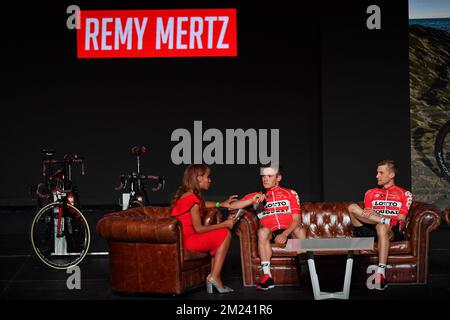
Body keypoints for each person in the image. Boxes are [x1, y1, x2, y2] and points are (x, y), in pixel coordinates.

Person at [171, 164, 263, 294]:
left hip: (186, 239)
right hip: (189, 241)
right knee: (224, 233)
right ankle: (214, 276)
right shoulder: (192, 199)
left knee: (219, 236)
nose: (210, 180)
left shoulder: (188, 196)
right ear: (198, 178)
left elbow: (203, 204)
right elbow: (199, 229)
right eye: (208, 177)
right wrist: (225, 224)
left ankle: (214, 277)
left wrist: (222, 204)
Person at [347, 160, 413, 290]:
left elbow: (400, 219)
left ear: (392, 175)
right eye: (377, 172)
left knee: (382, 226)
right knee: (352, 207)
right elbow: (367, 216)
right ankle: (383, 221)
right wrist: (380, 217)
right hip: (369, 228)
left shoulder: (405, 194)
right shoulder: (370, 193)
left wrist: (379, 216)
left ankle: (380, 273)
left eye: (381, 173)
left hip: (390, 230)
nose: (377, 176)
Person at [240, 165, 306, 290]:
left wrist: (285, 234)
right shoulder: (258, 196)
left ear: (278, 178)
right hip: (271, 233)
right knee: (262, 232)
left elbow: (296, 220)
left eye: (269, 176)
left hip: (289, 232)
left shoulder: (290, 193)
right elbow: (232, 206)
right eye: (263, 176)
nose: (265, 179)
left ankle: (304, 272)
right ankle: (267, 277)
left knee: (300, 230)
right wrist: (251, 201)